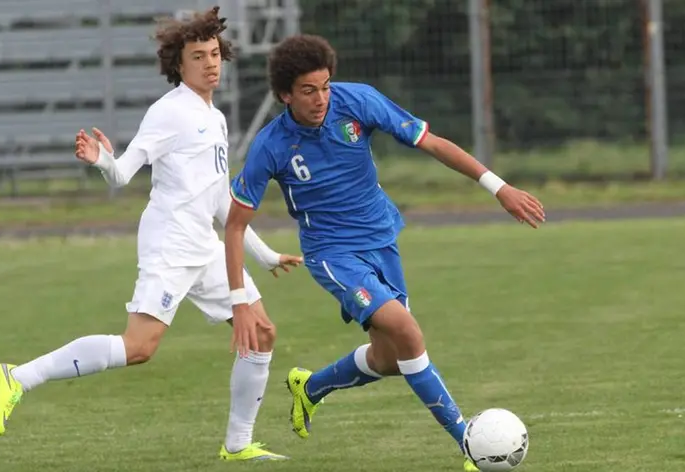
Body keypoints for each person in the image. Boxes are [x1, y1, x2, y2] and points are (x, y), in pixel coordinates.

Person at [0, 7, 300, 462]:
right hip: (170, 245)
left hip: (204, 246)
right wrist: (102, 160)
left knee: (262, 333)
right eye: (199, 56)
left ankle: (238, 444)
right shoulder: (168, 112)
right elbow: (123, 173)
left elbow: (219, 203)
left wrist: (265, 254)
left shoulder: (214, 118)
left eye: (215, 54)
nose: (211, 63)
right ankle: (18, 377)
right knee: (139, 348)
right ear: (180, 64)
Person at [223, 34, 546, 470]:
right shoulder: (271, 145)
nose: (321, 99)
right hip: (333, 255)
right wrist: (240, 301)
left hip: (381, 238)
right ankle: (467, 442)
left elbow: (431, 143)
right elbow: (235, 225)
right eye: (307, 91)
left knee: (390, 358)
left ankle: (311, 387)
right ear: (284, 94)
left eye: (325, 86)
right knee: (408, 333)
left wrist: (499, 187)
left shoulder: (358, 102)